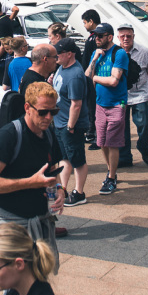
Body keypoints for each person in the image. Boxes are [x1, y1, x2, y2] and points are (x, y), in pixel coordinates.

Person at [0, 82, 69, 269]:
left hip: (39, 217)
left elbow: (52, 169)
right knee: (12, 283)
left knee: (38, 280)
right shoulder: (9, 136)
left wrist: (59, 189)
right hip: (9, 221)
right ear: (28, 107)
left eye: (54, 112)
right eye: (43, 112)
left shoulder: (48, 134)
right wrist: (30, 183)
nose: (49, 117)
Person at [87, 23, 129, 195]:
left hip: (117, 103)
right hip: (100, 103)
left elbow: (114, 81)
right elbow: (86, 76)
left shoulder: (119, 54)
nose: (96, 38)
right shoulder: (95, 53)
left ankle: (111, 177)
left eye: (100, 36)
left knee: (112, 141)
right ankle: (110, 170)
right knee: (101, 141)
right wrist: (95, 59)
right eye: (95, 35)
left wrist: (95, 77)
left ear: (109, 37)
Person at [52, 38, 89, 207]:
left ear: (69, 54)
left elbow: (77, 104)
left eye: (58, 54)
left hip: (70, 124)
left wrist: (71, 126)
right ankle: (64, 188)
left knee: (77, 159)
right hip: (60, 122)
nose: (55, 57)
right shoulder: (61, 67)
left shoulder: (75, 75)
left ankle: (79, 192)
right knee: (64, 158)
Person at [115, 22, 148, 168]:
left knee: (145, 123)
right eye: (122, 36)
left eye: (128, 36)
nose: (126, 39)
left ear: (133, 36)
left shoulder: (144, 51)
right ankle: (125, 157)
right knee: (122, 128)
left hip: (139, 94)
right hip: (120, 96)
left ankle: (143, 145)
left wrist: (140, 83)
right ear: (118, 37)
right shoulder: (114, 52)